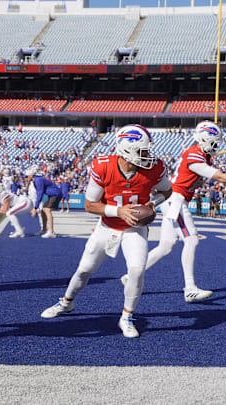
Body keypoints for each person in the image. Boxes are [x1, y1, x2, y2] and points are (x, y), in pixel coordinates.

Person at [40, 124, 172, 338]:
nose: (148, 155)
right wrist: (118, 210)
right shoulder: (103, 166)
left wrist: (153, 203)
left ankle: (127, 316)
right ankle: (66, 302)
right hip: (107, 226)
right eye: (143, 151)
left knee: (137, 270)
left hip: (134, 229)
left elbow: (167, 191)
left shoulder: (154, 168)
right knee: (84, 271)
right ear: (126, 150)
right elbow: (90, 205)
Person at [123, 121, 226, 302]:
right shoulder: (195, 155)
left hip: (173, 199)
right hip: (176, 200)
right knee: (192, 239)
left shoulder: (197, 154)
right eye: (214, 142)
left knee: (166, 246)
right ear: (205, 139)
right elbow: (218, 175)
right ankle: (190, 288)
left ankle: (130, 276)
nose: (215, 146)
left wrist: (194, 183)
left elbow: (191, 177)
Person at [30, 168, 63, 238]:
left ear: (31, 175)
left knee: (47, 210)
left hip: (55, 194)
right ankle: (44, 229)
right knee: (43, 211)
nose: (25, 178)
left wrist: (35, 207)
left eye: (27, 176)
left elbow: (40, 194)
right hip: (52, 195)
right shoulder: (35, 181)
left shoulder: (38, 180)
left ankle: (51, 231)